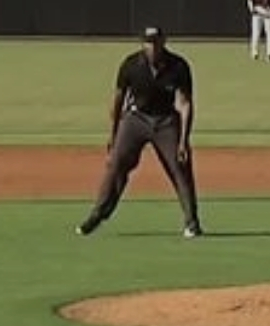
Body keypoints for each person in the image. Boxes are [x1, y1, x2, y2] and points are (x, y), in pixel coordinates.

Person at [77, 27, 202, 239]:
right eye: (148, 42)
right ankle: (98, 215)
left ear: (164, 42)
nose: (152, 47)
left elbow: (184, 104)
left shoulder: (178, 66)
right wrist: (113, 135)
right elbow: (118, 101)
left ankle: (192, 222)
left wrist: (183, 141)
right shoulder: (131, 65)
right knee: (116, 164)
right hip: (136, 119)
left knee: (180, 167)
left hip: (166, 120)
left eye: (155, 42)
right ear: (142, 44)